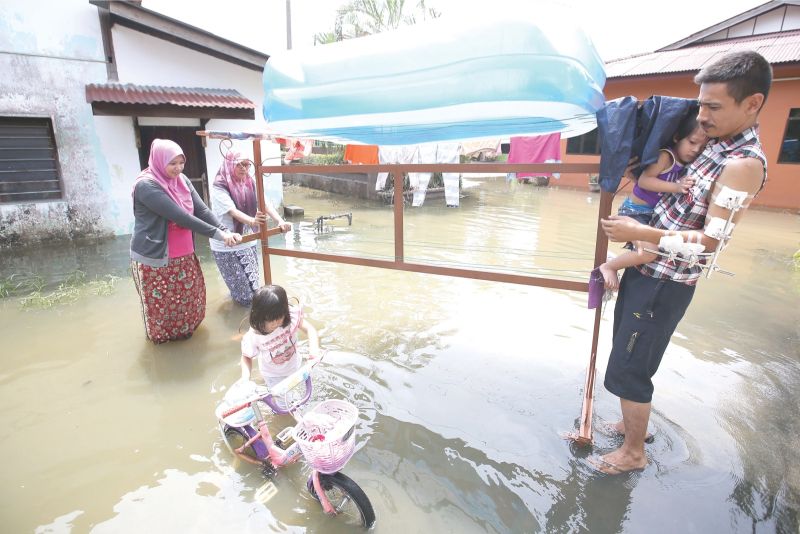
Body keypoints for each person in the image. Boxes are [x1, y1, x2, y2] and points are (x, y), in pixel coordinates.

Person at [594, 50, 771, 474]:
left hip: (666, 281)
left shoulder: (742, 164)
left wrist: (641, 234)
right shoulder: (714, 144)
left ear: (752, 104)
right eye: (701, 104)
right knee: (625, 351)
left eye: (713, 107)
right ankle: (630, 425)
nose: (702, 116)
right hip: (647, 267)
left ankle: (633, 454)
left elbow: (711, 244)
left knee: (632, 364)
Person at [130, 139, 242, 344]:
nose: (178, 168)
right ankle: (163, 348)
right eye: (172, 163)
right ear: (159, 160)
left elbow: (201, 210)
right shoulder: (146, 185)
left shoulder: (182, 180)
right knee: (161, 308)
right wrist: (219, 235)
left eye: (181, 163)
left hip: (185, 255)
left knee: (190, 301)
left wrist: (225, 229)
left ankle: (186, 340)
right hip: (155, 259)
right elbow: (181, 217)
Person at [598, 114, 709, 290]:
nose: (696, 149)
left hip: (651, 215)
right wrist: (677, 186)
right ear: (677, 137)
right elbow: (644, 181)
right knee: (649, 253)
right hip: (635, 212)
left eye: (702, 147)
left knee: (650, 249)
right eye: (692, 142)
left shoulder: (688, 164)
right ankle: (609, 266)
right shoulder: (666, 156)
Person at [210, 150, 291, 306]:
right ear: (229, 165)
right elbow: (232, 211)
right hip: (228, 245)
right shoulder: (220, 186)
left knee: (253, 286)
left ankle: (244, 312)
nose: (244, 168)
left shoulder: (249, 182)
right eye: (238, 165)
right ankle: (248, 322)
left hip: (248, 241)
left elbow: (264, 203)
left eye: (247, 165)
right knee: (244, 294)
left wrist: (280, 220)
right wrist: (253, 222)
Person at [239, 285, 320, 394]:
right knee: (282, 404)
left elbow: (310, 330)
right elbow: (246, 357)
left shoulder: (290, 317)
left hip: (295, 364)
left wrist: (314, 353)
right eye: (270, 319)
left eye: (279, 317)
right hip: (273, 376)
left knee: (299, 392)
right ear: (259, 316)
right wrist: (245, 379)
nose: (276, 322)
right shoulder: (254, 335)